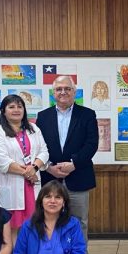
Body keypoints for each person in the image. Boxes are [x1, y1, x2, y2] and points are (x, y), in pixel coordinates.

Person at [36, 75, 98, 243]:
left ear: (74, 92)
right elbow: (38, 146)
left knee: (79, 221)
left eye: (67, 89)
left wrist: (74, 164)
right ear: (53, 93)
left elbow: (92, 144)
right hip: (50, 178)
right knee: (50, 220)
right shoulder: (43, 117)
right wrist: (48, 167)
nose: (63, 92)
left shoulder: (87, 115)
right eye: (59, 89)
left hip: (78, 176)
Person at [0, 94, 49, 242]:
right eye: (11, 107)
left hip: (31, 186)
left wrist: (34, 168)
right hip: (11, 185)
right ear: (3, 111)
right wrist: (29, 173)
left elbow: (44, 151)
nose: (16, 110)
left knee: (33, 226)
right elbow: (2, 161)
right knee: (11, 228)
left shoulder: (33, 128)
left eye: (19, 106)